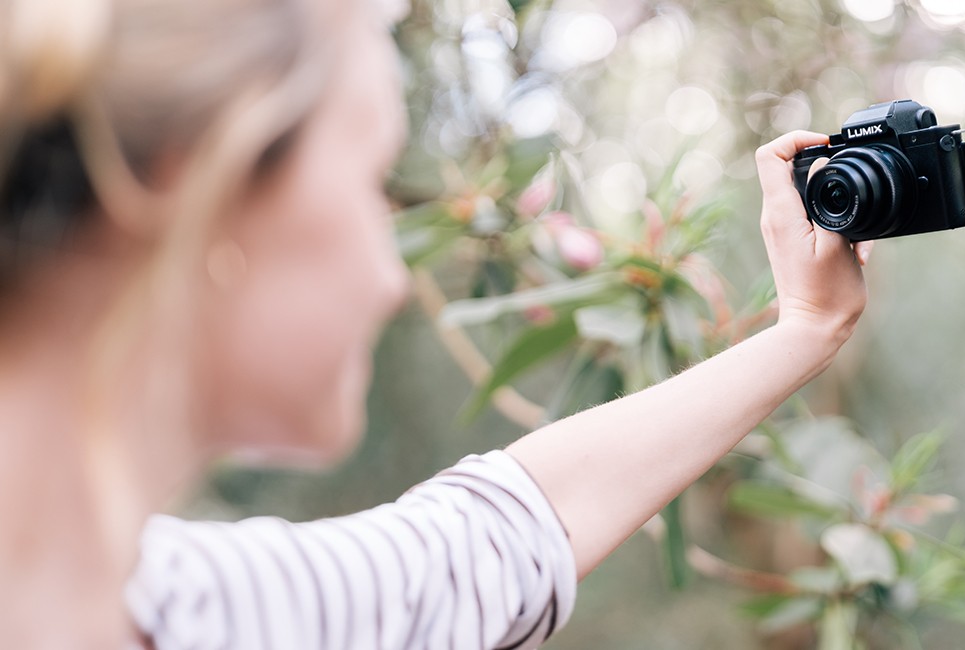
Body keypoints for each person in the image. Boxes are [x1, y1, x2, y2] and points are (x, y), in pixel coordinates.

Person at [0, 0, 871, 648]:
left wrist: (803, 328)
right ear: (196, 183)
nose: (394, 275)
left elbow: (498, 542)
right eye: (371, 181)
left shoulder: (195, 609)